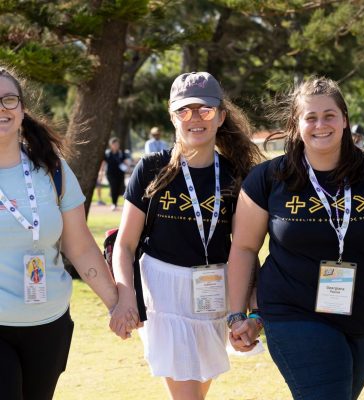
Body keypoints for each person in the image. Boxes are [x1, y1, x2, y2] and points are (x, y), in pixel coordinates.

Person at [227, 77, 364, 400]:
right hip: (292, 313)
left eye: (329, 115)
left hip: (362, 315)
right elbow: (245, 248)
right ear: (296, 124)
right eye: (311, 117)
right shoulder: (268, 178)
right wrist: (238, 315)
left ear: (344, 120)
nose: (321, 124)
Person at [109, 71, 262, 400]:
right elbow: (125, 244)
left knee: (197, 389)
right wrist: (124, 298)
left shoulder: (235, 175)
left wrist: (251, 309)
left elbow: (245, 249)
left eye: (204, 110)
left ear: (220, 117)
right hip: (163, 292)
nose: (195, 118)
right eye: (184, 110)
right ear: (172, 116)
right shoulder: (151, 168)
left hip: (215, 293)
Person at [0, 67, 119, 400]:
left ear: (22, 109)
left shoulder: (52, 170)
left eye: (9, 99)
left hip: (49, 323)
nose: (2, 108)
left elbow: (79, 247)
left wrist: (116, 304)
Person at [101, 137, 131, 211]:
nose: (116, 146)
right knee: (113, 187)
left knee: (118, 188)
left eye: (117, 144)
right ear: (111, 145)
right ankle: (114, 204)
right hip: (110, 174)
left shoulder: (121, 153)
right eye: (114, 144)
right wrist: (101, 172)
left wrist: (129, 168)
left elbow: (126, 162)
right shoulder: (107, 153)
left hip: (120, 174)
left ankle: (116, 203)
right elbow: (103, 163)